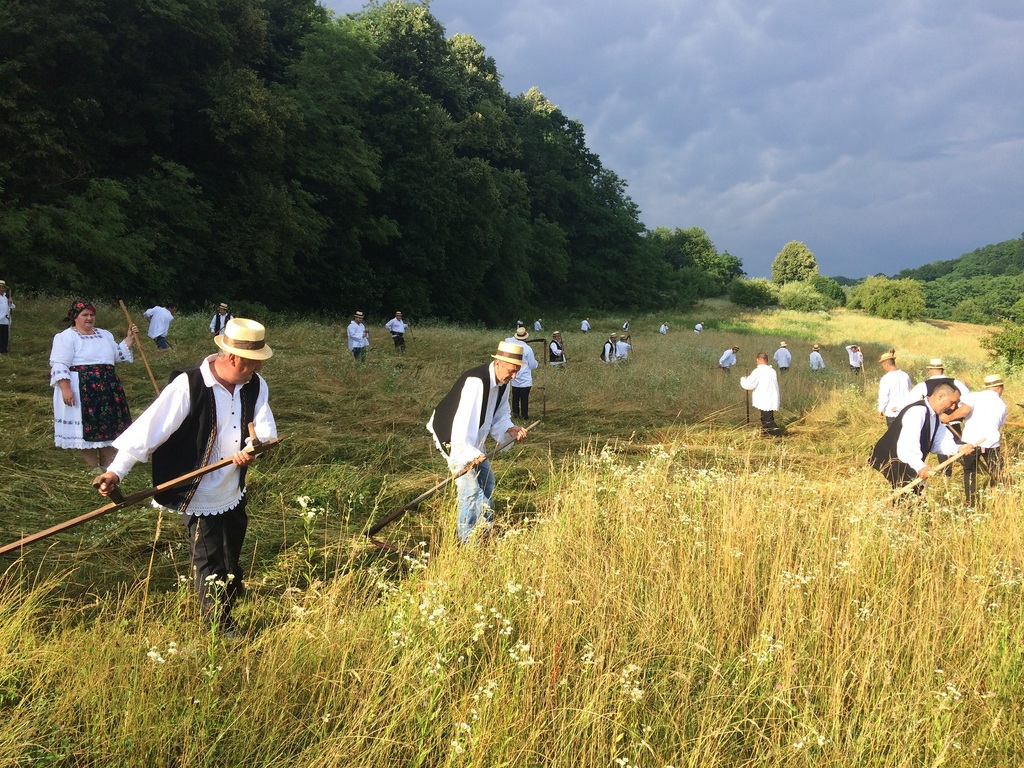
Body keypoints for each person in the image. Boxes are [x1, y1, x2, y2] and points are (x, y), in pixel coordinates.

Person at [96, 319, 276, 631]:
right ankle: (219, 625)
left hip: (233, 488)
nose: (257, 369)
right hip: (197, 492)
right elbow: (148, 431)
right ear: (232, 357)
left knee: (231, 552)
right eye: (251, 364)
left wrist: (253, 449)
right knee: (209, 559)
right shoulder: (188, 386)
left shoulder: (255, 386)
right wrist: (116, 472)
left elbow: (264, 432)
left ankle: (232, 593)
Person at [426, 340, 529, 543]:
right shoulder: (476, 381)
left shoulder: (503, 382)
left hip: (473, 439)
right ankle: (469, 542)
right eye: (512, 370)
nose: (514, 376)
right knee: (470, 490)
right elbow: (462, 424)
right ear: (498, 362)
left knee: (487, 481)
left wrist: (509, 428)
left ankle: (485, 529)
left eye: (517, 371)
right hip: (453, 438)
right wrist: (469, 454)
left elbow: (499, 415)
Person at [50, 301, 137, 471]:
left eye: (92, 315)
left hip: (107, 386)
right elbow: (59, 364)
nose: (89, 318)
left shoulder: (104, 334)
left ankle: (107, 465)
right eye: (85, 315)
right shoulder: (66, 337)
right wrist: (65, 388)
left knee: (111, 426)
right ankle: (92, 468)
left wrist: (130, 338)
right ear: (75, 317)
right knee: (85, 428)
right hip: (82, 387)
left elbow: (116, 355)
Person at [869, 379, 973, 495]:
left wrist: (958, 448)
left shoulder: (935, 417)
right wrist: (920, 467)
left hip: (907, 463)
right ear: (941, 396)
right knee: (905, 501)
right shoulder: (917, 412)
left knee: (913, 500)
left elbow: (938, 443)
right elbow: (907, 446)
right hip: (891, 464)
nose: (953, 408)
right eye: (952, 402)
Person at [905, 358, 971, 474]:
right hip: (954, 422)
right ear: (942, 369)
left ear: (930, 370)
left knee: (943, 448)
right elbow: (969, 401)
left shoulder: (923, 385)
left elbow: (909, 403)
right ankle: (966, 470)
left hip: (934, 423)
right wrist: (955, 415)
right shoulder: (956, 383)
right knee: (957, 447)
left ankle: (947, 473)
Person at [959, 374, 1007, 506]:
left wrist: (947, 418)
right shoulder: (1002, 404)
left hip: (970, 443)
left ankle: (971, 502)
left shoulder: (973, 396)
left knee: (970, 472)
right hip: (991, 442)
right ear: (998, 388)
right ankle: (1002, 497)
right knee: (997, 471)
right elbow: (999, 425)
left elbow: (963, 412)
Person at [740, 353, 782, 436]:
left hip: (765, 399)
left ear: (757, 360)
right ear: (767, 360)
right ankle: (766, 434)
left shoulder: (758, 371)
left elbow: (749, 385)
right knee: (765, 418)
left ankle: (778, 436)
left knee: (768, 420)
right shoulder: (772, 371)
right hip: (771, 398)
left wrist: (743, 379)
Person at [504, 327, 539, 419]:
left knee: (515, 397)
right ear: (526, 338)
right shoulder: (527, 349)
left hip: (515, 375)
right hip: (525, 378)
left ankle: (515, 414)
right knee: (524, 398)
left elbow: (507, 339)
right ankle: (524, 416)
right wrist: (536, 364)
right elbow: (532, 365)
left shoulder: (513, 346)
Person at [877, 349, 912, 426]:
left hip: (892, 412)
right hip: (906, 410)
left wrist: (880, 409)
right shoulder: (905, 375)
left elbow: (884, 396)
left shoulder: (886, 378)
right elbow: (910, 389)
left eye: (882, 365)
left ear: (886, 365)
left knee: (894, 436)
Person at [0, 280, 13, 354]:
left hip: (5, 319)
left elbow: (12, 307)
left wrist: (10, 302)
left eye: (2, 288)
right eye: (0, 288)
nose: (1, 289)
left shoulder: (7, 297)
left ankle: (4, 349)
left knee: (5, 335)